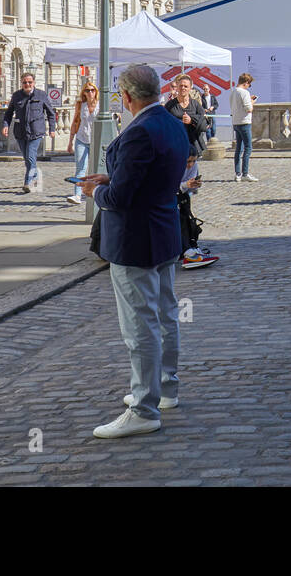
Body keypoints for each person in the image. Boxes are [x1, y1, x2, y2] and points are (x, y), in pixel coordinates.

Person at [78, 64, 189, 439]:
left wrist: (96, 191)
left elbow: (122, 198)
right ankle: (165, 389)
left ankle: (143, 407)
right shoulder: (172, 122)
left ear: (125, 97)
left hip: (134, 238)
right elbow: (158, 175)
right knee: (165, 315)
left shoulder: (139, 130)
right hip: (165, 231)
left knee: (139, 325)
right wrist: (115, 176)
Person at [2, 73, 57, 194]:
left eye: (29, 82)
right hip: (21, 132)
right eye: (25, 82)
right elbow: (9, 113)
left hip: (36, 131)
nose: (27, 84)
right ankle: (35, 176)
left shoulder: (41, 95)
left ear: (34, 83)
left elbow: (51, 113)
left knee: (31, 156)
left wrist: (52, 129)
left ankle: (28, 182)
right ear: (21, 83)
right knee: (27, 159)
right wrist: (5, 125)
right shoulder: (17, 96)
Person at [177, 153, 217, 269]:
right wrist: (186, 185)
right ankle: (187, 251)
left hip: (183, 194)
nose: (190, 165)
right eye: (188, 162)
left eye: (193, 161)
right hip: (170, 195)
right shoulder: (174, 165)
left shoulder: (193, 166)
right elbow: (168, 186)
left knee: (187, 219)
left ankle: (191, 246)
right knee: (177, 220)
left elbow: (188, 186)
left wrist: (194, 184)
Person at [66, 81, 100, 204]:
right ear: (84, 93)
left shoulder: (101, 105)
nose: (90, 92)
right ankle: (77, 195)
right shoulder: (81, 105)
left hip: (96, 140)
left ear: (96, 92)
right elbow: (75, 122)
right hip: (81, 139)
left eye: (92, 90)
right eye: (87, 90)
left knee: (96, 169)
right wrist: (70, 141)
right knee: (81, 167)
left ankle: (95, 192)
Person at [164, 74, 208, 156]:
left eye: (186, 86)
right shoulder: (170, 105)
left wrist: (192, 120)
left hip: (193, 146)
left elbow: (204, 125)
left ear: (190, 88)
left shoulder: (195, 104)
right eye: (181, 86)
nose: (183, 88)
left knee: (192, 169)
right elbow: (163, 124)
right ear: (177, 87)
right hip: (176, 145)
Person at [230, 73, 257, 181]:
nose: (249, 86)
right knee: (248, 148)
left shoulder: (233, 92)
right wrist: (252, 102)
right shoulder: (245, 92)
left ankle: (238, 174)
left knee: (238, 149)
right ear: (246, 83)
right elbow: (248, 109)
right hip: (244, 122)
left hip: (236, 122)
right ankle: (245, 174)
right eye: (249, 84)